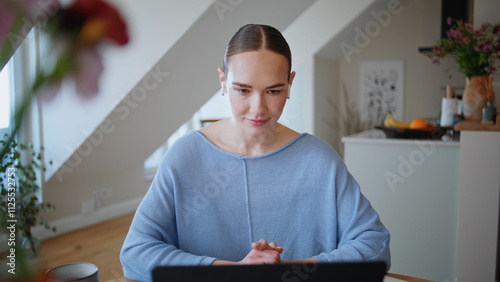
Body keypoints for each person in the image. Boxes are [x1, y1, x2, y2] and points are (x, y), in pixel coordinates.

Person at [120, 24, 390, 281]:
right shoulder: (184, 156)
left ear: (290, 82)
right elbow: (136, 252)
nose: (258, 109)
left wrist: (287, 271)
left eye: (273, 90)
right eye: (243, 90)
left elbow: (375, 243)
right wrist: (233, 272)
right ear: (223, 81)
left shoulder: (321, 159)